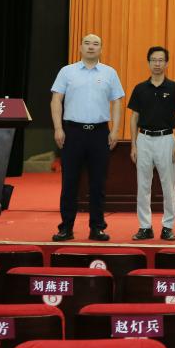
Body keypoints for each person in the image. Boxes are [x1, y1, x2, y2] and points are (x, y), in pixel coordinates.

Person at [50, 33, 125, 242]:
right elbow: (56, 100)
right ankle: (66, 228)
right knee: (69, 182)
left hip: (100, 133)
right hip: (72, 132)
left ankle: (97, 228)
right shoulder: (67, 71)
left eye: (96, 44)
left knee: (98, 183)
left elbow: (117, 102)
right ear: (80, 47)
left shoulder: (110, 72)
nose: (91, 47)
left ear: (101, 49)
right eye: (87, 43)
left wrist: (115, 130)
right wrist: (58, 128)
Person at [127, 46, 175, 242]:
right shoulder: (140, 88)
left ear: (167, 63)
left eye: (161, 60)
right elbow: (134, 117)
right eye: (154, 60)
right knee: (143, 185)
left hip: (166, 139)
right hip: (143, 139)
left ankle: (168, 227)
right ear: (148, 63)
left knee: (168, 186)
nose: (157, 64)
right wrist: (133, 145)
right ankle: (145, 227)